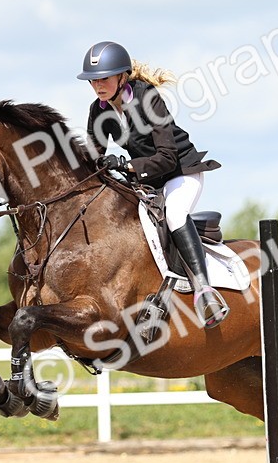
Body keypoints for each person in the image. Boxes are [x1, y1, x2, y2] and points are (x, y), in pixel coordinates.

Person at [78, 40, 229, 329]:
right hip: (146, 183)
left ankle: (204, 291)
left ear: (122, 76)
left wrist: (126, 165)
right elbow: (93, 157)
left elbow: (167, 156)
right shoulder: (98, 111)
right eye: (93, 81)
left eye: (104, 79)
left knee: (173, 213)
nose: (98, 86)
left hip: (180, 172)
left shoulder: (148, 98)